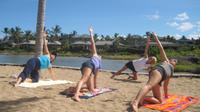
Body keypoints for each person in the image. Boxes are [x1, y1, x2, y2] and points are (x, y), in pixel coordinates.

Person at [131, 32, 177, 112]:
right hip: (158, 71)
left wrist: (166, 96)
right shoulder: (166, 61)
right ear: (170, 61)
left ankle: (143, 97)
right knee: (148, 86)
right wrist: (156, 37)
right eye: (173, 60)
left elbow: (165, 86)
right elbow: (161, 48)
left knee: (160, 101)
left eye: (175, 62)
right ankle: (135, 102)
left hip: (159, 78)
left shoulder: (171, 71)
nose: (174, 61)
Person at [73, 27, 102, 102]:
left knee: (91, 89)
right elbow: (93, 43)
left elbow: (95, 76)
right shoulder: (95, 55)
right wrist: (91, 33)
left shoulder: (99, 65)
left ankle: (74, 89)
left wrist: (95, 87)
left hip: (88, 67)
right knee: (84, 79)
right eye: (100, 56)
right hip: (88, 65)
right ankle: (76, 94)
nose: (100, 56)